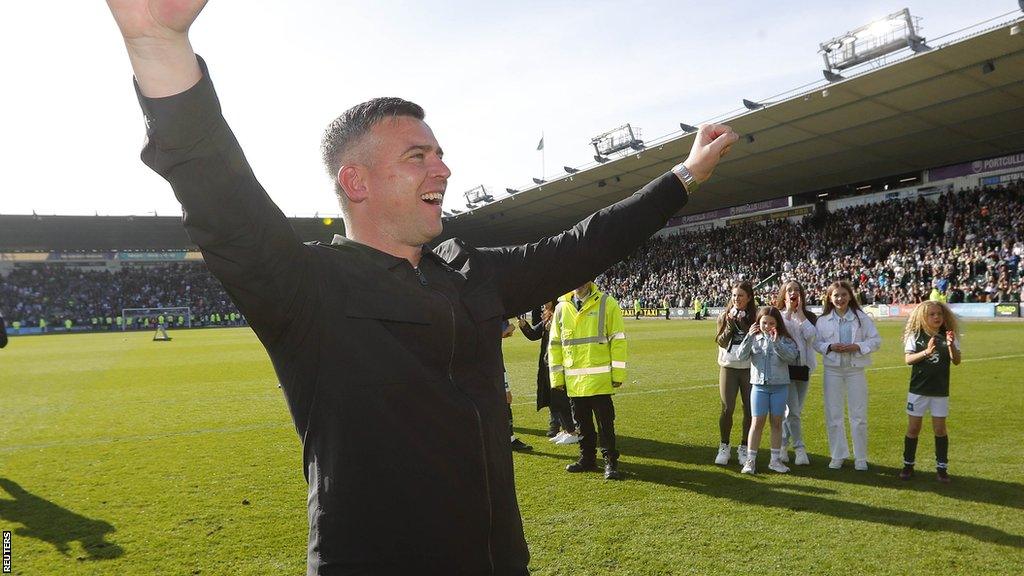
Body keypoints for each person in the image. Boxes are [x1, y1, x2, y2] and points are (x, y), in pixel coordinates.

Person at [104, 1, 736, 572]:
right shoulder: (305, 289)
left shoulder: (468, 272)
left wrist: (683, 178)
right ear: (356, 182)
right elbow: (217, 187)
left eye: (439, 152)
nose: (444, 167)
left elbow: (580, 247)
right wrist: (159, 44)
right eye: (418, 156)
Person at [548, 281, 628, 480]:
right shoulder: (561, 308)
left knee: (605, 424)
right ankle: (587, 459)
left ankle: (610, 462)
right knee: (582, 424)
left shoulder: (607, 303)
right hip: (575, 382)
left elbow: (618, 340)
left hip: (599, 380)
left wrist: (617, 375)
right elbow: (555, 345)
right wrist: (556, 377)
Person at [814, 280, 882, 471]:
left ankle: (860, 457)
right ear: (829, 298)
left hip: (855, 370)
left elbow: (876, 340)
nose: (840, 298)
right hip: (832, 370)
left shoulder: (861, 317)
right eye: (836, 295)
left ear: (850, 296)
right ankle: (837, 455)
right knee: (834, 414)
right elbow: (816, 343)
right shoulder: (823, 320)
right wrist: (830, 347)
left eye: (844, 295)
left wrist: (858, 347)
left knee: (858, 415)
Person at [900, 301, 961, 483]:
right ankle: (908, 465)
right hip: (918, 390)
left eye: (939, 314)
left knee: (940, 429)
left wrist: (950, 346)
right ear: (923, 317)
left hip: (940, 391)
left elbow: (956, 360)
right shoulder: (916, 335)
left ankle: (942, 469)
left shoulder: (948, 335)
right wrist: (926, 352)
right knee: (913, 428)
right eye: (932, 314)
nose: (936, 317)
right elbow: (908, 359)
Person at [736, 306, 799, 474]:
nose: (768, 326)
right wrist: (749, 336)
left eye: (772, 323)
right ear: (758, 322)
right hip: (758, 387)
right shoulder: (754, 338)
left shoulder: (784, 339)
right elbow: (740, 356)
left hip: (779, 386)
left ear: (777, 324)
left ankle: (775, 460)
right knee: (756, 423)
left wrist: (777, 342)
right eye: (764, 322)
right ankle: (750, 461)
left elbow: (792, 357)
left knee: (777, 423)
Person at [713, 281, 757, 466]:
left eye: (740, 295)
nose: (736, 299)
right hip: (729, 367)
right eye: (734, 295)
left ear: (748, 298)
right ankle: (724, 446)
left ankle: (744, 447)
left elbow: (757, 339)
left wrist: (745, 324)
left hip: (748, 368)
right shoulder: (724, 316)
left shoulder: (755, 316)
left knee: (749, 409)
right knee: (727, 408)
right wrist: (731, 325)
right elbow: (721, 341)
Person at [519, 304, 577, 443]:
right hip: (548, 363)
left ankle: (572, 431)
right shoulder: (548, 318)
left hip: (559, 362)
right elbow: (534, 334)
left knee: (562, 397)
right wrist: (523, 325)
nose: (544, 303)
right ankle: (565, 429)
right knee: (553, 397)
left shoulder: (562, 314)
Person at [775, 280, 818, 466]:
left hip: (804, 368)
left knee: (794, 411)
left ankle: (783, 445)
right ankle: (800, 449)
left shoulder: (808, 316)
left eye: (796, 290)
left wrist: (800, 314)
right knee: (793, 411)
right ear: (783, 294)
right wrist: (789, 313)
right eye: (789, 290)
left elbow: (812, 337)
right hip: (785, 369)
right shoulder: (778, 316)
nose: (793, 293)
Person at [502, 319, 532, 452]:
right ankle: (509, 439)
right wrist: (510, 327)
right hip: (492, 364)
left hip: (490, 361)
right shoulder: (488, 310)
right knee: (506, 398)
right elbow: (501, 333)